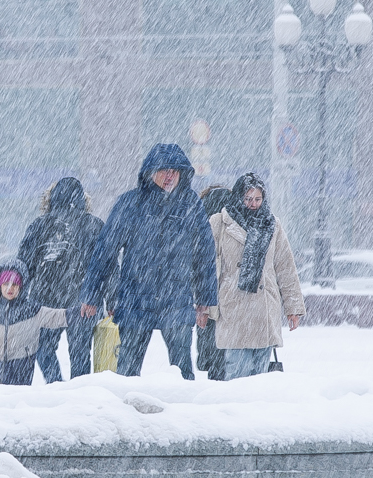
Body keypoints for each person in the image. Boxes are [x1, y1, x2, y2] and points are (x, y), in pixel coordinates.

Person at [78, 143, 217, 379]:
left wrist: (205, 301)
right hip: (136, 299)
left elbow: (204, 255)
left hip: (176, 299)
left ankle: (184, 415)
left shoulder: (190, 204)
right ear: (150, 172)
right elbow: (105, 251)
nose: (170, 176)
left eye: (175, 171)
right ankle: (125, 415)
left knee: (183, 372)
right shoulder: (130, 203)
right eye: (164, 170)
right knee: (127, 372)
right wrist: (91, 295)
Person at [209, 172, 305, 380]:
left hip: (264, 311)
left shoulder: (272, 224)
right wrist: (204, 305)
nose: (253, 204)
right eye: (248, 199)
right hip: (233, 308)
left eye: (257, 199)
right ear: (238, 197)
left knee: (260, 381)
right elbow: (208, 266)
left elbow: (285, 267)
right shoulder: (219, 223)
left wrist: (293, 308)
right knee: (236, 376)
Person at [17, 177, 108, 383]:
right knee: (80, 353)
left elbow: (24, 266)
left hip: (45, 301)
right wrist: (110, 299)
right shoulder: (93, 225)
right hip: (84, 301)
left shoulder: (39, 226)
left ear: (51, 198)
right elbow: (107, 266)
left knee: (42, 348)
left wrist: (18, 298)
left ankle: (55, 384)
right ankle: (79, 393)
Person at [0, 259, 67, 385]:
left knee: (19, 398)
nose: (10, 288)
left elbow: (55, 317)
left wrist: (79, 313)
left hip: (22, 365)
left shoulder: (30, 310)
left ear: (21, 286)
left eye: (14, 285)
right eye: (6, 284)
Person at [196, 184, 233, 380]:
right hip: (231, 294)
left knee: (210, 343)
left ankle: (213, 372)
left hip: (208, 296)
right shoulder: (235, 224)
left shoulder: (200, 224)